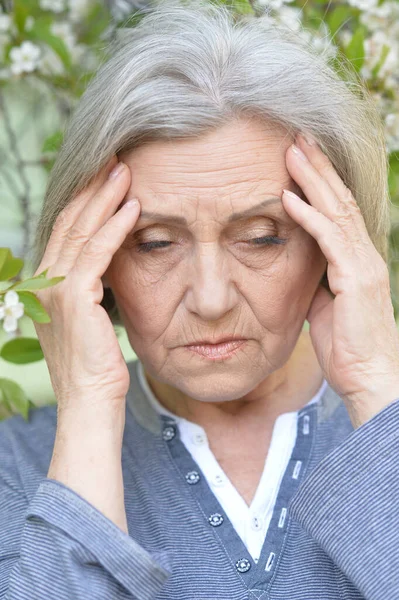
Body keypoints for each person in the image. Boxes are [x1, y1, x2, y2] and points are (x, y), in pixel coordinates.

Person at [1, 0, 399, 598]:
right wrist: (84, 415)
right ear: (93, 260)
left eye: (262, 238)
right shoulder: (18, 467)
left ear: (334, 243)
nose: (211, 300)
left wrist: (377, 388)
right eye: (155, 243)